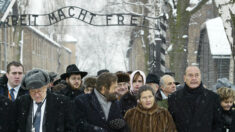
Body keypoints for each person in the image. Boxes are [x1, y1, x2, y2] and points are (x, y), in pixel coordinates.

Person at [168, 66, 223, 132]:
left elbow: (218, 125)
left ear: (200, 77)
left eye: (197, 75)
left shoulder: (213, 98)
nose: (194, 78)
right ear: (184, 78)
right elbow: (170, 124)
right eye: (190, 75)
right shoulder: (174, 98)